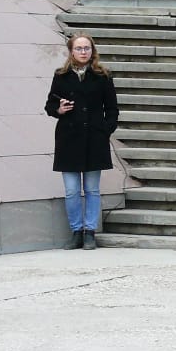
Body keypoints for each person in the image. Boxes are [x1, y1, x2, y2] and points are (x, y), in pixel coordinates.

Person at [44, 34, 120, 250]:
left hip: (94, 138)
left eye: (87, 48)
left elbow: (112, 109)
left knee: (92, 189)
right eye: (79, 48)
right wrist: (60, 109)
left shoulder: (102, 75)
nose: (83, 52)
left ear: (92, 51)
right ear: (71, 51)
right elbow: (50, 105)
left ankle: (90, 232)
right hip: (69, 138)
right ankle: (76, 231)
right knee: (71, 190)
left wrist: (105, 130)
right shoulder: (61, 75)